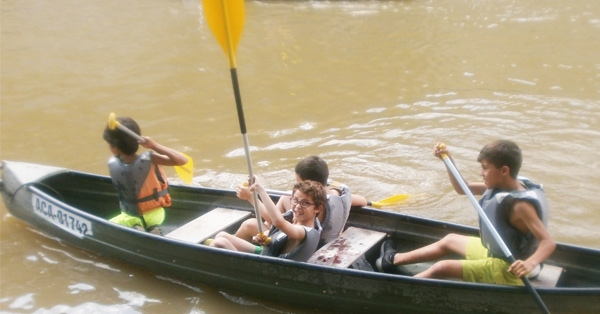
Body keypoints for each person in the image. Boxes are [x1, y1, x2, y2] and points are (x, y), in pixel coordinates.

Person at [377, 140, 556, 286]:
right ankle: (392, 260)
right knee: (450, 240)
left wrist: (529, 263)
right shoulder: (503, 185)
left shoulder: (520, 206)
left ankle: (393, 289)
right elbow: (464, 188)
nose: (481, 173)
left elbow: (548, 242)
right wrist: (448, 160)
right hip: (496, 253)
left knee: (442, 268)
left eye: (485, 168)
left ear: (504, 171)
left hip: (511, 269)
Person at [234, 156, 356, 248]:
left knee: (249, 224)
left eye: (298, 181)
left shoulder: (305, 202)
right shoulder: (341, 194)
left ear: (308, 184)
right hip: (327, 242)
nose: (297, 184)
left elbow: (276, 221)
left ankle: (233, 252)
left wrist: (251, 197)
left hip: (307, 246)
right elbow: (361, 200)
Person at [102, 116, 188, 235]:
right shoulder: (151, 158)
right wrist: (155, 146)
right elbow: (182, 160)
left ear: (115, 148)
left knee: (106, 225)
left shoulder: (113, 163)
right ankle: (152, 228)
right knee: (147, 219)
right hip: (156, 215)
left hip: (130, 216)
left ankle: (136, 227)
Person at [210, 179, 325, 262]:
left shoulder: (303, 231)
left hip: (267, 268)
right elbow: (275, 232)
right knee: (222, 235)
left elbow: (279, 222)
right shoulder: (295, 218)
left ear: (317, 208)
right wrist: (264, 239)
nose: (298, 206)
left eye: (305, 203)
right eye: (295, 200)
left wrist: (261, 190)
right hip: (265, 255)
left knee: (219, 243)